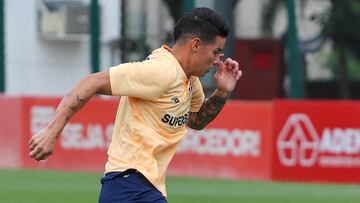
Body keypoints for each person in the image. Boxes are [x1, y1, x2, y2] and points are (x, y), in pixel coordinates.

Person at [28, 7, 242, 203]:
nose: (218, 61)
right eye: (216, 52)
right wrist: (51, 132)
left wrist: (223, 92)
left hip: (140, 188)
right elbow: (91, 82)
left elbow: (195, 120)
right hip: (128, 184)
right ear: (195, 45)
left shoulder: (189, 80)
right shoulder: (160, 71)